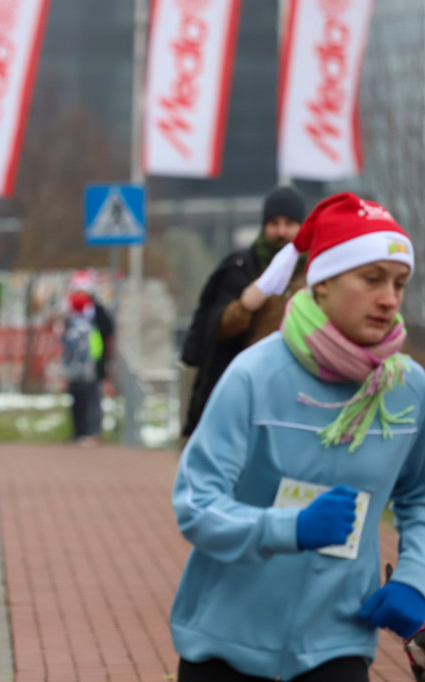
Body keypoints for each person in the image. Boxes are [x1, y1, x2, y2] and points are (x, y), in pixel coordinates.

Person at [170, 192, 425, 682]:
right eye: (371, 278)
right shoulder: (254, 376)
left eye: (399, 283)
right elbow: (196, 503)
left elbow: (420, 495)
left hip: (338, 644)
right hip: (225, 646)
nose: (390, 298)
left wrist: (415, 578)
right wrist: (288, 529)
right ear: (322, 281)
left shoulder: (407, 387)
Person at [181, 186, 306, 436]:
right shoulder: (241, 267)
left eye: (290, 223)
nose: (281, 232)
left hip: (303, 390)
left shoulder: (319, 272)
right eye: (274, 223)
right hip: (251, 391)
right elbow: (218, 330)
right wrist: (245, 306)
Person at [60, 269, 114, 447]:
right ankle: (79, 432)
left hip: (92, 363)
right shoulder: (70, 313)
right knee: (77, 399)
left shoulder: (97, 311)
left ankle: (92, 433)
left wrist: (104, 362)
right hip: (75, 365)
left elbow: (107, 332)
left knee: (92, 399)